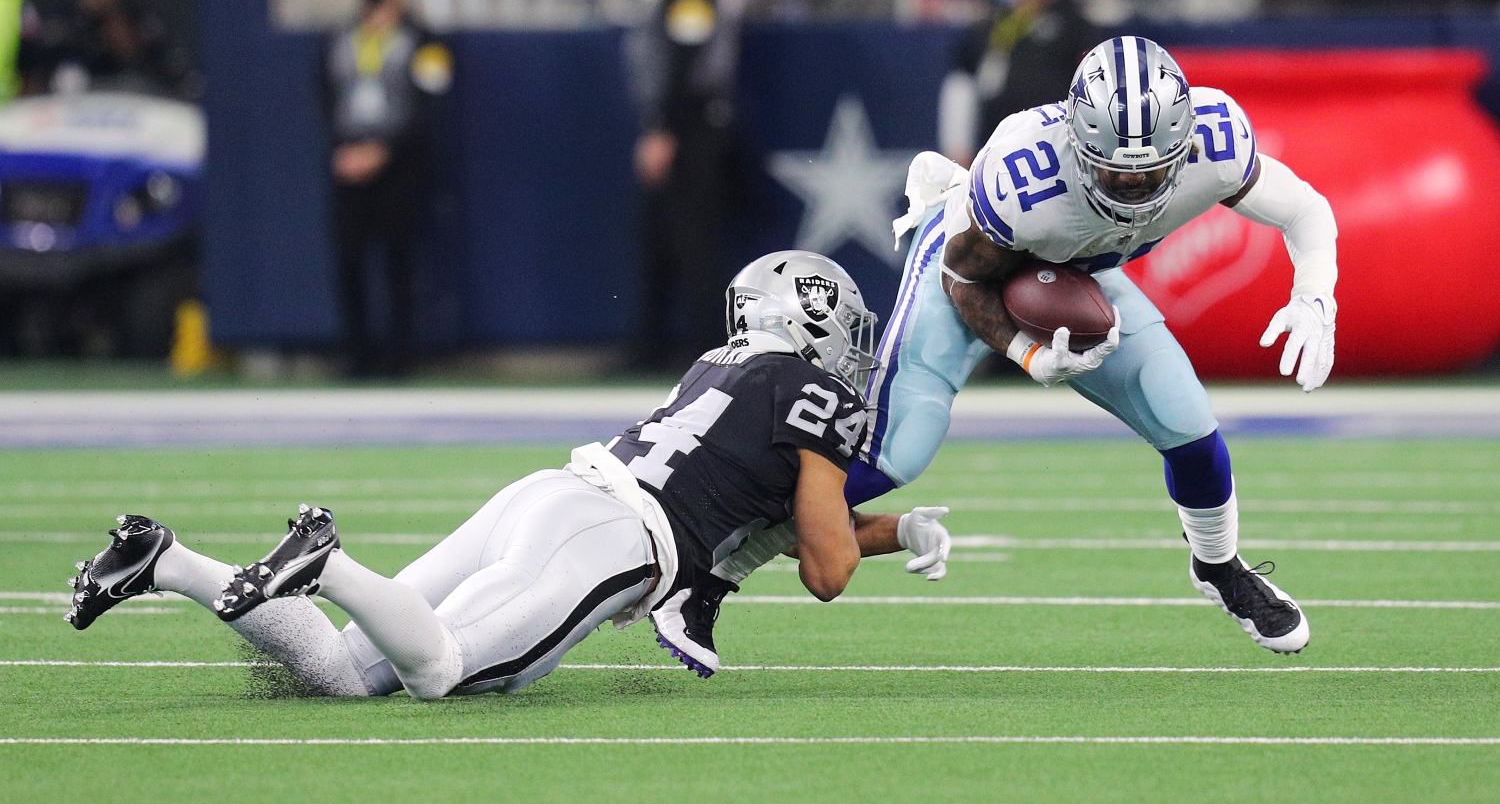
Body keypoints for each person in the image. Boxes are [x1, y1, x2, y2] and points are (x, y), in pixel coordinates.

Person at [62, 251, 954, 697]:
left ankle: (166, 560)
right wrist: (862, 498)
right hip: (614, 540)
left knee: (344, 667)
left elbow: (776, 512)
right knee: (441, 670)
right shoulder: (813, 398)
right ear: (818, 324)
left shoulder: (721, 364)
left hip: (551, 492)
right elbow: (823, 563)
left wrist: (899, 529)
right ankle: (327, 562)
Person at [846, 36, 1339, 656]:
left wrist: (1315, 296)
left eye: (1154, 170)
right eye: (1114, 170)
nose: (1135, 188)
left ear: (1184, 144)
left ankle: (1218, 567)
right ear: (1078, 146)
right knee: (900, 448)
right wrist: (1028, 354)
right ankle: (723, 536)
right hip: (963, 268)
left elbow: (1306, 210)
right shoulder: (1024, 177)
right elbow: (964, 277)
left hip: (1076, 268)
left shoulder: (1216, 142)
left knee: (1185, 416)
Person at [623, 0, 747, 371]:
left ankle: (706, 353)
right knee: (658, 237)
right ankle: (650, 347)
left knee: (694, 239)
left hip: (690, 121)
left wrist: (662, 127)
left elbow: (685, 56)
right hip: (673, 119)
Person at [324, 0, 452, 378]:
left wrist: (384, 150)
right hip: (349, 160)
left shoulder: (422, 39)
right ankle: (356, 353)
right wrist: (342, 149)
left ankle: (401, 354)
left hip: (400, 164)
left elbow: (430, 102)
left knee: (401, 256)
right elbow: (325, 96)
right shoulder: (344, 37)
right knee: (349, 258)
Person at [939, 0, 1098, 167]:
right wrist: (957, 149)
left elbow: (1094, 90)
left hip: (1055, 155)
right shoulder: (992, 21)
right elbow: (961, 85)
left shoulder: (1074, 24)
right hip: (994, 152)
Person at [41, 0, 194, 99]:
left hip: (133, 109)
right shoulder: (59, 21)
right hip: (70, 114)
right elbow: (37, 75)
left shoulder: (137, 17)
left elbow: (174, 74)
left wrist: (112, 16)